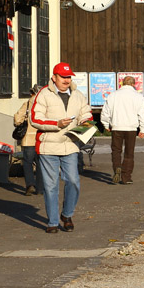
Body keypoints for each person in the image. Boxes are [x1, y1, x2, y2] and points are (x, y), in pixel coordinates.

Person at [30, 62, 92, 233]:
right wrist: (56, 124)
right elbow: (35, 119)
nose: (66, 80)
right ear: (54, 77)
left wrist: (85, 121)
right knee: (51, 186)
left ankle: (67, 214)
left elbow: (85, 112)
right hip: (48, 147)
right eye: (63, 77)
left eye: (68, 76)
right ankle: (52, 222)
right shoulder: (43, 95)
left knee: (73, 181)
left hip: (70, 145)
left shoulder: (78, 94)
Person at [101, 76, 144, 185]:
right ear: (134, 84)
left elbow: (105, 112)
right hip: (131, 128)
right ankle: (126, 177)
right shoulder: (138, 97)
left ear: (122, 83)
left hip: (117, 127)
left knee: (116, 151)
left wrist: (106, 124)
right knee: (129, 153)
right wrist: (143, 128)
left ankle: (117, 167)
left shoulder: (113, 96)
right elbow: (142, 114)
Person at [13, 84, 45, 196]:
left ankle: (30, 185)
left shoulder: (27, 104)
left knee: (27, 163)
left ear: (32, 93)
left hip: (28, 139)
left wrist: (21, 121)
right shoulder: (45, 105)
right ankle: (40, 189)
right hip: (41, 139)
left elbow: (17, 119)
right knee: (41, 163)